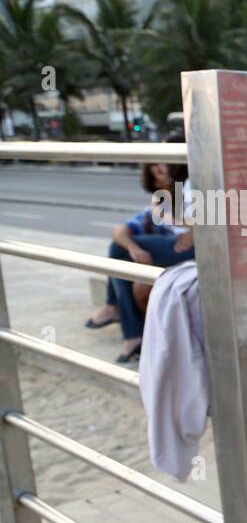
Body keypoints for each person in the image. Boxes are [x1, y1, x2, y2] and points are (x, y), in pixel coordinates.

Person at [85, 144, 194, 363]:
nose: (159, 174)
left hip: (194, 250)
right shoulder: (159, 206)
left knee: (119, 250)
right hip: (174, 248)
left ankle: (119, 314)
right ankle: (131, 332)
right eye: (154, 175)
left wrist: (195, 232)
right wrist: (135, 249)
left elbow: (214, 219)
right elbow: (118, 230)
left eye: (163, 168)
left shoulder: (192, 189)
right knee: (123, 251)